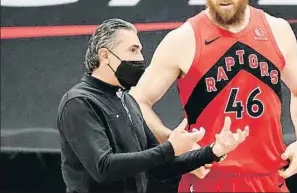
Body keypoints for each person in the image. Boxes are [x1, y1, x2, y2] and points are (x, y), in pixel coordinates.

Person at [129, 0, 297, 192]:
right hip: (208, 181)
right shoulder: (183, 39)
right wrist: (175, 144)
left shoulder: (277, 31)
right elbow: (136, 101)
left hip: (268, 179)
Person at [56, 18, 249, 193]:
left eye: (140, 50)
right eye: (132, 50)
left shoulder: (127, 100)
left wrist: (213, 151)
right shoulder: (79, 103)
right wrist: (171, 148)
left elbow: (161, 167)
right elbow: (104, 169)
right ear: (105, 55)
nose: (140, 58)